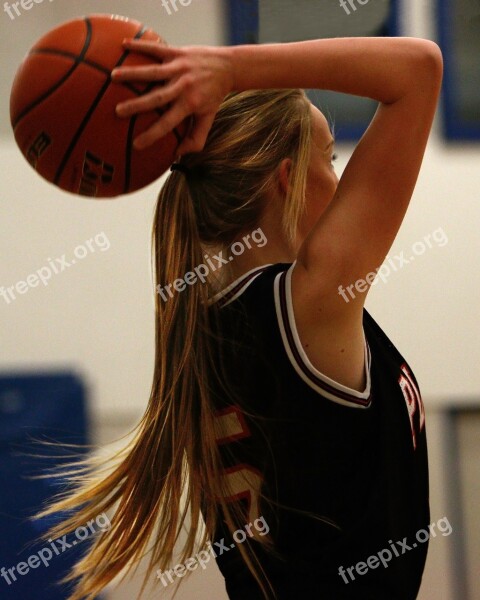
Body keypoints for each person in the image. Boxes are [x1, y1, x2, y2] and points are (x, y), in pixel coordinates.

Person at [38, 36, 443, 600]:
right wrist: (228, 69)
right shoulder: (303, 308)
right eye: (328, 157)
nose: (341, 177)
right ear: (287, 178)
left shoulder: (204, 328)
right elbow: (418, 69)